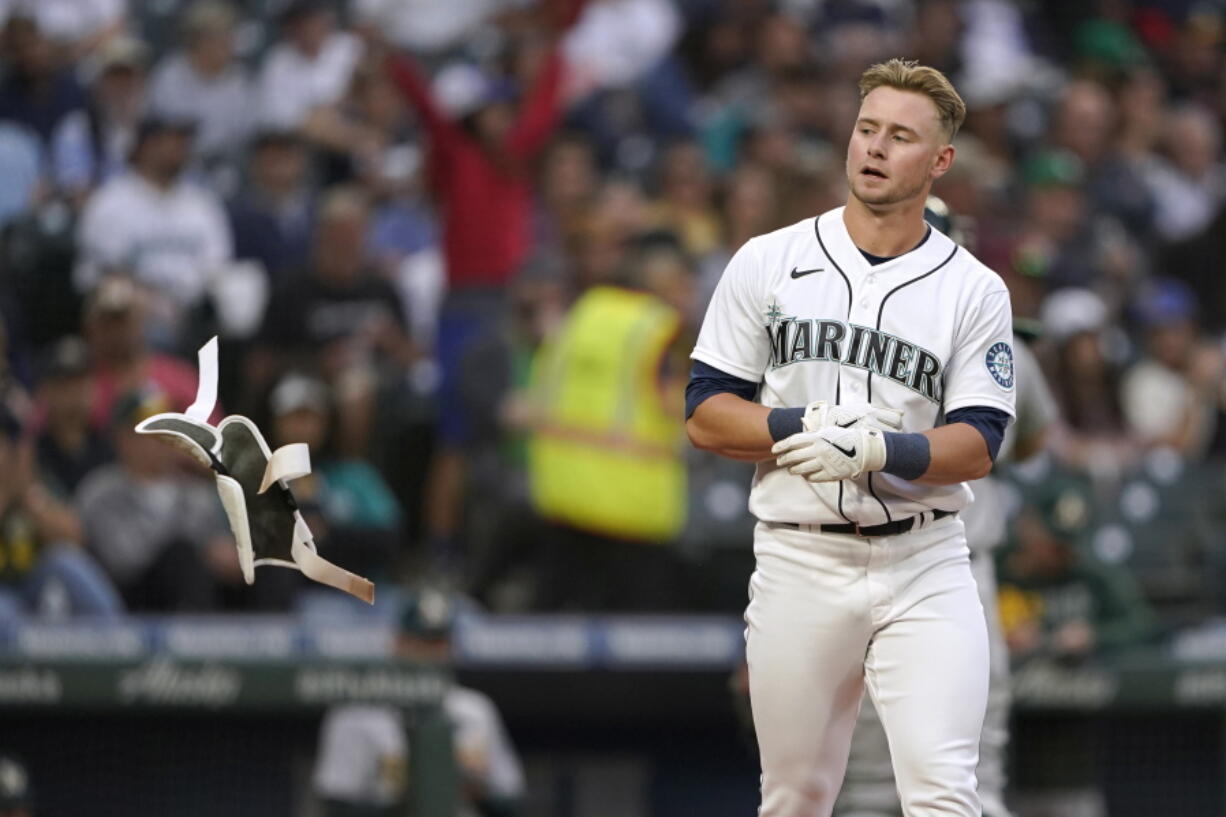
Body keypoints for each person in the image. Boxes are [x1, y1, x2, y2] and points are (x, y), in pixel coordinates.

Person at [686, 59, 1016, 816]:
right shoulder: (768, 260)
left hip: (924, 558)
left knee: (942, 790)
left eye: (901, 136)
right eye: (867, 128)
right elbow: (706, 410)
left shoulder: (974, 288)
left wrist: (879, 450)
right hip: (801, 553)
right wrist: (799, 424)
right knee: (796, 796)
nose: (875, 147)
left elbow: (980, 441)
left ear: (940, 162)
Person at [833, 200, 1061, 817]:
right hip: (896, 560)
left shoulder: (833, 339)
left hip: (909, 560)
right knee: (931, 769)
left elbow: (1035, 436)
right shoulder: (995, 340)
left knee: (922, 769)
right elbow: (1033, 441)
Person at [313, 589, 525, 817]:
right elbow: (335, 805)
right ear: (397, 644)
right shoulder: (357, 711)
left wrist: (475, 790)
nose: (430, 655)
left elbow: (511, 801)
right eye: (419, 644)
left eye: (438, 644)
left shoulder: (476, 710)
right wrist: (413, 792)